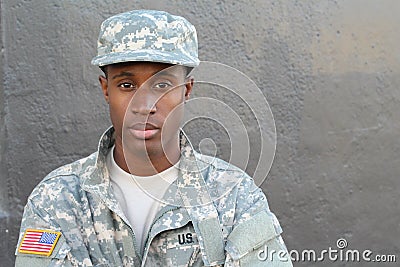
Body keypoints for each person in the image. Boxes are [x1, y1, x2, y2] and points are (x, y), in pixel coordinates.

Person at [15, 10, 293, 266]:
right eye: (127, 85)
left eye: (162, 85)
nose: (145, 104)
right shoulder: (57, 200)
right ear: (106, 89)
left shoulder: (234, 197)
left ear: (186, 90)